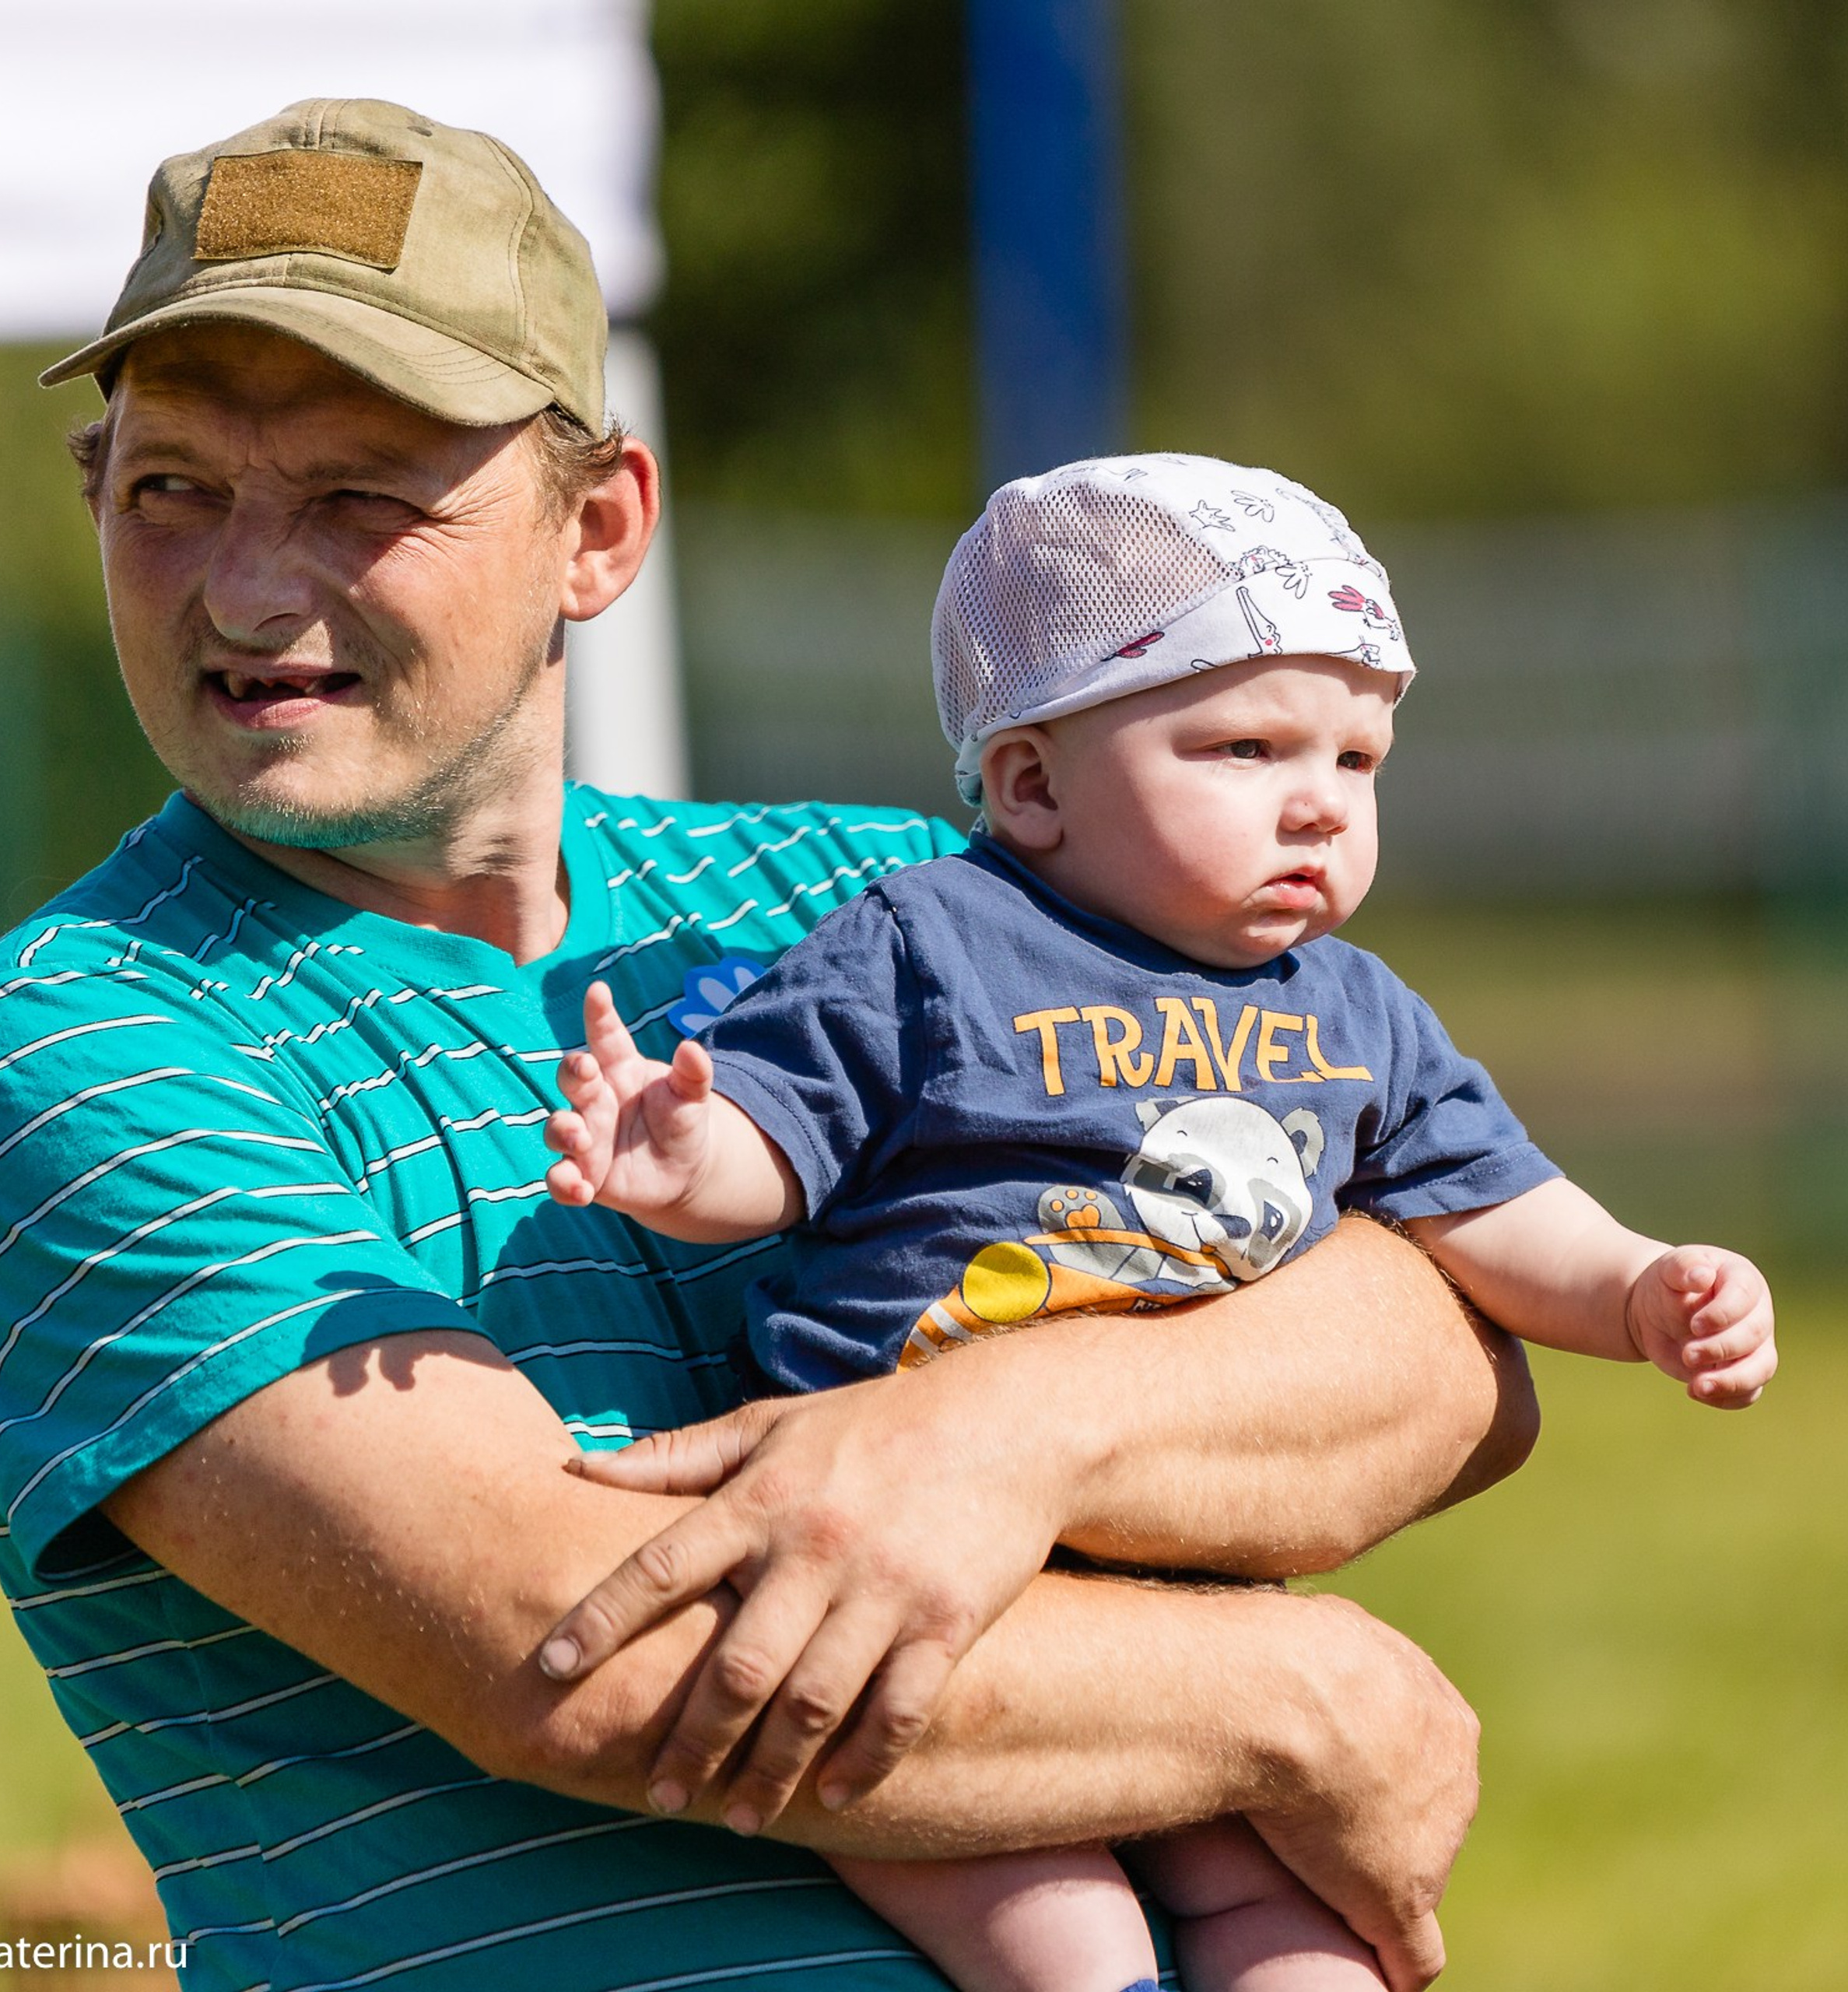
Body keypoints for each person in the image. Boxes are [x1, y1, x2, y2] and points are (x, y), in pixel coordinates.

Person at [0, 100, 1538, 1992]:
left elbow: (1437, 1333)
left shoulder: (891, 887)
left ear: (599, 532)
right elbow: (584, 1647)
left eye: (358, 494)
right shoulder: (71, 1043)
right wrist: (1298, 1688)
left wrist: (1006, 1428)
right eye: (170, 488)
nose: (242, 588)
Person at [542, 453, 1782, 1992]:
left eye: (1355, 756)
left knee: (1292, 1912)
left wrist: (1641, 1282)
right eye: (1245, 744)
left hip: (1189, 1569)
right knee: (1052, 1914)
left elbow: (1492, 1208)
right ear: (1032, 782)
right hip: (908, 1567)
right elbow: (779, 1142)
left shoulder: (1353, 1010)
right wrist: (675, 1149)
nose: (1315, 802)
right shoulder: (934, 935)